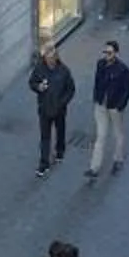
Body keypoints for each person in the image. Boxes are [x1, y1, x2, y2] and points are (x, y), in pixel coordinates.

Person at [87, 40, 129, 177]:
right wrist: (96, 97)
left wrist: (120, 106)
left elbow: (127, 90)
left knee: (117, 133)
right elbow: (97, 81)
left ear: (116, 53)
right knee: (100, 136)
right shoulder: (100, 64)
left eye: (110, 52)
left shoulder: (123, 70)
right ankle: (94, 168)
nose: (107, 55)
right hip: (101, 105)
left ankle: (118, 158)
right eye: (105, 52)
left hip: (114, 107)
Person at [29, 43, 75, 176]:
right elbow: (31, 82)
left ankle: (60, 151)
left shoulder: (64, 71)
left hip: (59, 110)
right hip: (44, 108)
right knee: (45, 137)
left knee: (60, 131)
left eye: (52, 58)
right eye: (47, 58)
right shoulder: (39, 69)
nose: (49, 61)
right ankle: (44, 164)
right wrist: (38, 87)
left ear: (56, 57)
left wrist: (63, 103)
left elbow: (71, 89)